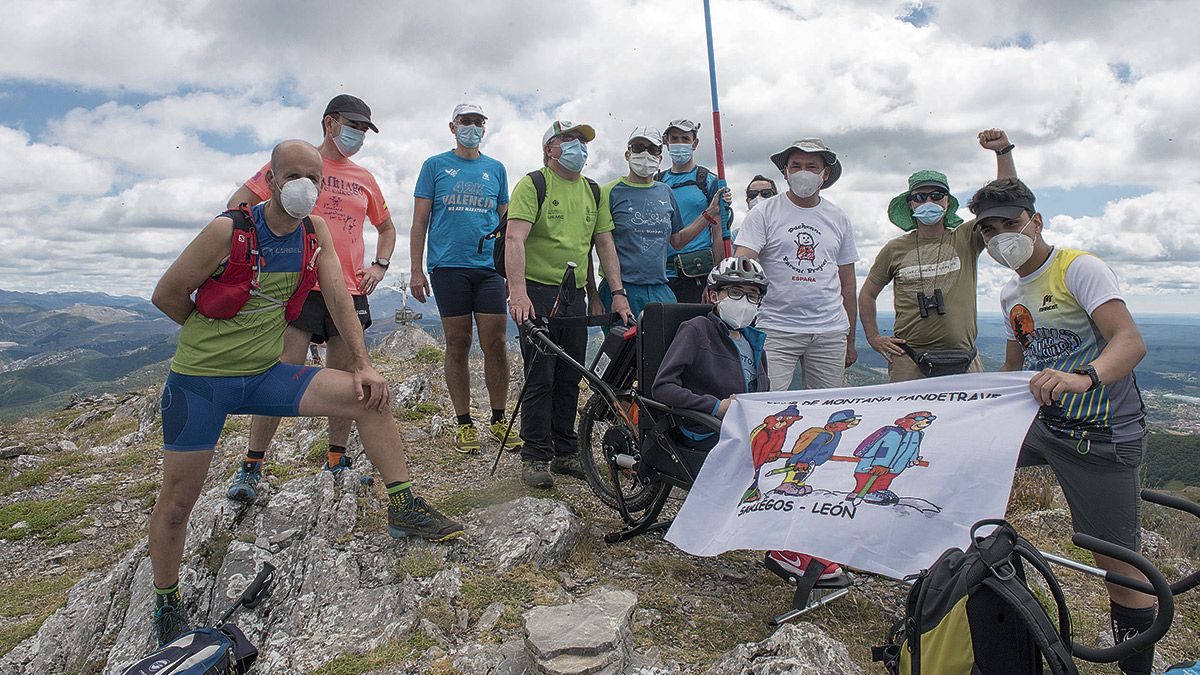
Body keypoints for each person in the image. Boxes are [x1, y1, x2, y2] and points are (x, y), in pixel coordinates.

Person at [148, 140, 461, 646]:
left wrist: (363, 364)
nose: (305, 186)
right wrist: (213, 339)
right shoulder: (228, 230)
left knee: (368, 398)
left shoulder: (314, 233)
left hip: (265, 376)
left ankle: (402, 506)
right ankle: (165, 602)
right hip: (200, 383)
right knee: (179, 502)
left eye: (313, 178)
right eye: (293, 175)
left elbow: (338, 295)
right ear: (269, 181)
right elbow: (166, 294)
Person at [972, 177, 1156, 675]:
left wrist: (1085, 376)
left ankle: (1136, 667)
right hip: (1043, 426)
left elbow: (1130, 341)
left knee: (1118, 565)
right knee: (968, 459)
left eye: (1010, 223)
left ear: (1036, 220)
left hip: (1100, 435)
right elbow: (1018, 367)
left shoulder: (1080, 268)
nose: (999, 236)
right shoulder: (1011, 291)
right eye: (988, 229)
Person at [223, 94, 396, 502]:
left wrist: (380, 266)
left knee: (349, 378)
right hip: (298, 285)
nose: (358, 135)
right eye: (352, 126)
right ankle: (252, 465)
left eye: (364, 130)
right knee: (283, 370)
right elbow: (238, 207)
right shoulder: (296, 164)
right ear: (329, 122)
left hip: (348, 288)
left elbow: (386, 227)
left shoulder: (365, 178)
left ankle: (337, 459)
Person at [652, 256, 845, 587]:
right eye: (735, 292)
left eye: (752, 295)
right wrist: (714, 407)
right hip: (705, 428)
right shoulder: (695, 331)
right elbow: (663, 387)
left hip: (744, 427)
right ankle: (785, 549)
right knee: (768, 466)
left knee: (802, 458)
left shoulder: (754, 339)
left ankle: (803, 540)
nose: (744, 302)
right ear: (715, 295)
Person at [505, 120, 634, 488]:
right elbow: (514, 239)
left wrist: (613, 292)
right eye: (570, 140)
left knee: (570, 374)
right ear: (551, 149)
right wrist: (518, 293)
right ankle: (535, 455)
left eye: (582, 141)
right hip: (537, 292)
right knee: (540, 374)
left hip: (574, 293)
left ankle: (564, 450)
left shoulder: (593, 191)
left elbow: (602, 244)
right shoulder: (534, 184)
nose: (579, 146)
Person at [860, 129, 1018, 381]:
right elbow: (867, 293)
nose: (928, 201)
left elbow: (1005, 200)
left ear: (947, 202)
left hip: (964, 359)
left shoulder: (966, 237)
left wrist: (1002, 152)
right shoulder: (894, 249)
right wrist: (873, 337)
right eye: (920, 197)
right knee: (907, 422)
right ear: (910, 204)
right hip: (909, 360)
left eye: (936, 195)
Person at [410, 103, 515, 454]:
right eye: (465, 122)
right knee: (458, 343)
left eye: (477, 122)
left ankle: (499, 419)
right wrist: (415, 269)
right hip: (448, 266)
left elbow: (508, 226)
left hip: (487, 269)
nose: (472, 127)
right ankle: (464, 423)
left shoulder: (496, 169)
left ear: (485, 127)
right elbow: (420, 221)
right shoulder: (435, 166)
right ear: (453, 127)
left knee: (496, 343)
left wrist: (513, 272)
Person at [734, 138, 857, 391]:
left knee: (825, 409)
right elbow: (742, 267)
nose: (803, 172)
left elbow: (848, 283)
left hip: (830, 329)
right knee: (768, 405)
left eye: (811, 167)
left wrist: (850, 339)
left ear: (825, 174)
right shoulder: (763, 213)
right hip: (775, 328)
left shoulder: (839, 218)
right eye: (796, 166)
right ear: (785, 173)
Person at [592, 127, 730, 319]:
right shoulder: (608, 191)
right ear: (627, 154)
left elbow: (678, 240)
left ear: (660, 156)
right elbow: (604, 244)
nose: (645, 154)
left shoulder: (665, 191)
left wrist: (711, 212)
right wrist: (617, 292)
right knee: (625, 348)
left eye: (653, 149)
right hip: (623, 289)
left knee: (670, 346)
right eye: (638, 147)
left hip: (660, 288)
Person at [658, 118, 732, 303]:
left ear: (695, 143)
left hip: (698, 276)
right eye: (674, 139)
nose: (679, 143)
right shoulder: (656, 181)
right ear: (666, 142)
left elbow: (718, 234)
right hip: (663, 277)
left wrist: (716, 282)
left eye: (685, 138)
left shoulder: (709, 181)